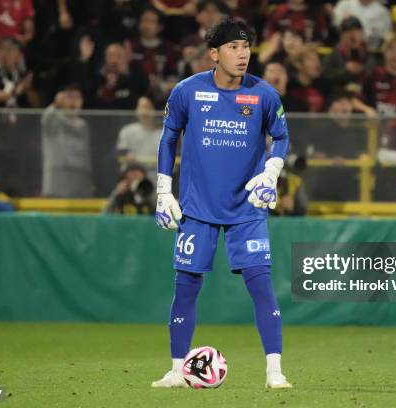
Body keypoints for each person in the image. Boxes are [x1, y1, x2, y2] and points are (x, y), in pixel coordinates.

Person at [151, 18, 291, 389]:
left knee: (261, 286)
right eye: (233, 47)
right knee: (186, 286)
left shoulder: (264, 95)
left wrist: (271, 173)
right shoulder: (187, 92)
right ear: (214, 54)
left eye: (245, 47)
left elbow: (281, 137)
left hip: (247, 208)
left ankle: (274, 371)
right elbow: (168, 139)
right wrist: (164, 191)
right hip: (197, 208)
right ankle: (177, 369)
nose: (242, 54)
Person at [40, 84, 92, 198]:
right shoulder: (53, 118)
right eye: (70, 97)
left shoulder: (84, 125)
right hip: (58, 176)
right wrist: (55, 104)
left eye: (77, 98)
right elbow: (46, 117)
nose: (74, 102)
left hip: (79, 175)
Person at [116, 96, 163, 176]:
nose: (144, 111)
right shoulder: (127, 130)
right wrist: (128, 156)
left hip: (156, 177)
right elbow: (121, 151)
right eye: (141, 107)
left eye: (147, 107)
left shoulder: (162, 134)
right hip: (133, 175)